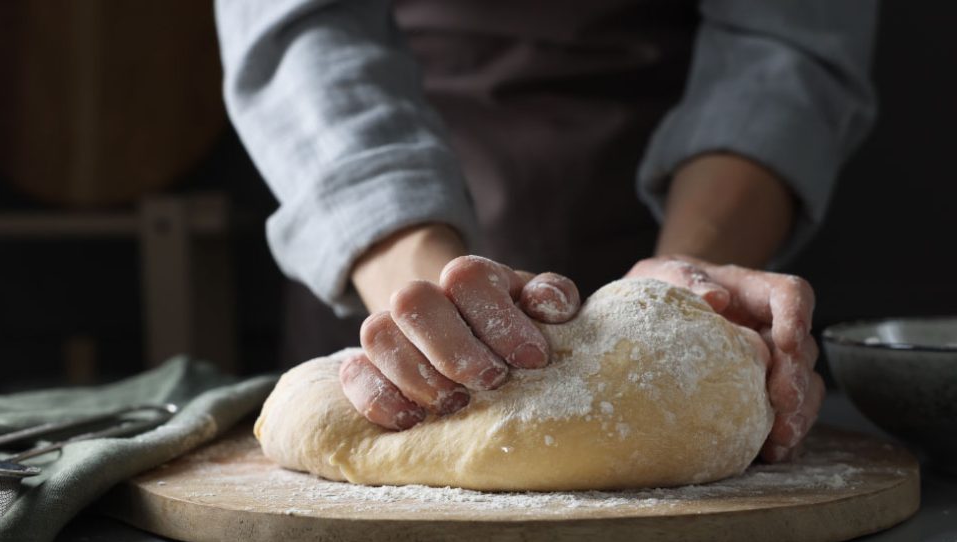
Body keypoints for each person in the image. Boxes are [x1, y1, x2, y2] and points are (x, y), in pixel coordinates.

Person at [215, 1, 878, 462]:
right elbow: (302, 33)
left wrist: (691, 301)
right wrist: (415, 276)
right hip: (389, 222)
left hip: (689, 184)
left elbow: (785, 43)